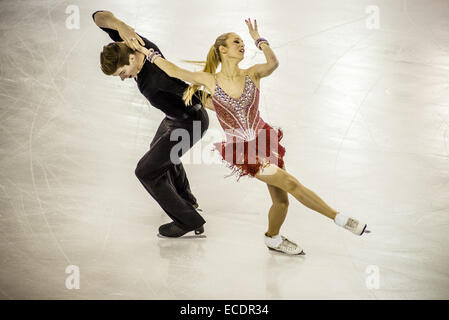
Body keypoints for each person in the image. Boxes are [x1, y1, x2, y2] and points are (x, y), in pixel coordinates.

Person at [142, 18, 369, 254]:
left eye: (242, 42)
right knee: (290, 182)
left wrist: (259, 40)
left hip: (264, 139)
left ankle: (273, 238)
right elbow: (173, 70)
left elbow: (273, 63)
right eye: (236, 41)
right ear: (222, 49)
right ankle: (340, 219)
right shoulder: (211, 80)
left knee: (281, 201)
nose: (242, 45)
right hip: (242, 150)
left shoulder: (252, 74)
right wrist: (148, 53)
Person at [92, 10, 211, 237]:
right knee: (160, 156)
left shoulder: (158, 77)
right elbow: (97, 17)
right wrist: (121, 25)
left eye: (122, 73)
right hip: (174, 118)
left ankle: (188, 221)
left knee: (146, 171)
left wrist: (235, 112)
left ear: (130, 60)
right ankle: (188, 202)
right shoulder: (129, 44)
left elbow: (197, 96)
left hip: (191, 122)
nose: (123, 78)